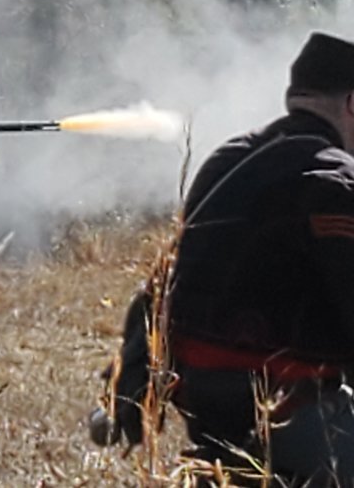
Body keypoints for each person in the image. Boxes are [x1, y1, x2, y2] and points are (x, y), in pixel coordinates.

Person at [98, 32, 354, 484]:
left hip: (201, 399)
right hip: (290, 403)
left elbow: (170, 275)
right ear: (352, 104)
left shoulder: (226, 159)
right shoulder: (332, 178)